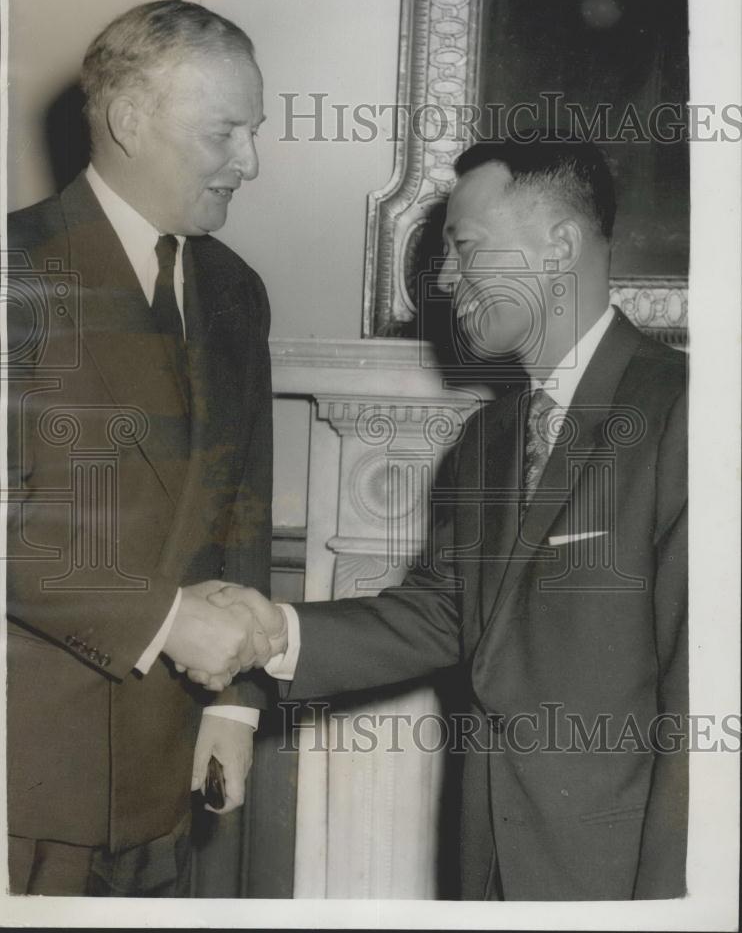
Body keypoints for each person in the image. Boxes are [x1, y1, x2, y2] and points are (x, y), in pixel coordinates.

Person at [204, 137, 688, 900]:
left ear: (559, 245)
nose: (446, 280)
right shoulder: (487, 439)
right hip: (486, 867)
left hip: (615, 882)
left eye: (465, 249)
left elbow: (703, 714)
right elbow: (442, 615)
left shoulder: (688, 414)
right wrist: (273, 632)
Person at [5, 0, 273, 896]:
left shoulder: (238, 292)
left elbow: (246, 509)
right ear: (128, 121)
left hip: (168, 784)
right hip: (28, 788)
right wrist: (167, 620)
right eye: (225, 132)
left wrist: (236, 703)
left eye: (256, 131)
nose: (253, 163)